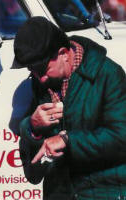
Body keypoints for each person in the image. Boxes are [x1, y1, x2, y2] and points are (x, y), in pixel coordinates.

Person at [12, 17, 126, 199]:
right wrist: (33, 128)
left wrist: (67, 140)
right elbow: (33, 172)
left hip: (104, 192)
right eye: (32, 70)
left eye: (42, 69)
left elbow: (121, 137)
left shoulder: (107, 74)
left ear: (64, 53)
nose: (39, 78)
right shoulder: (39, 84)